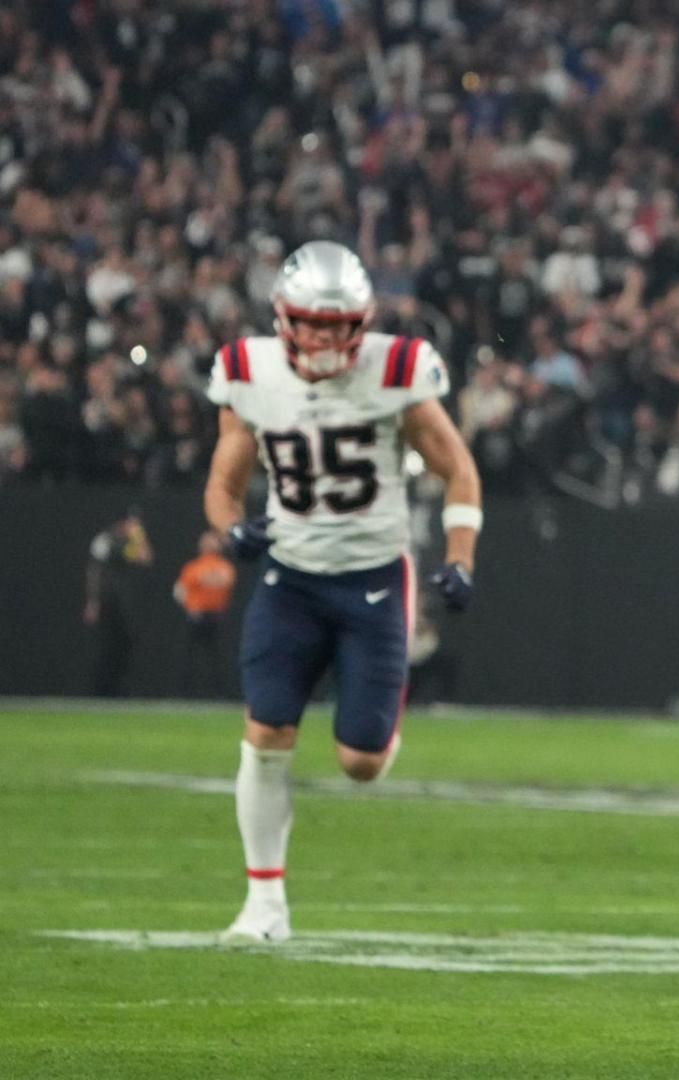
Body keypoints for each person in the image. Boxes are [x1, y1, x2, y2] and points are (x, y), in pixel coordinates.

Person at [203, 240, 481, 944]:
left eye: (339, 325)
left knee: (360, 762)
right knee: (265, 732)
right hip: (289, 578)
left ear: (362, 322)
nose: (326, 338)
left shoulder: (396, 367)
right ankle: (264, 905)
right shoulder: (249, 371)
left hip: (373, 581)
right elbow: (223, 484)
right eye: (311, 323)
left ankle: (380, 714)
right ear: (282, 318)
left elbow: (459, 471)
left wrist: (460, 557)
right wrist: (231, 531)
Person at [84, 509, 153, 697]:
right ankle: (100, 689)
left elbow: (145, 557)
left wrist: (139, 535)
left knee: (124, 643)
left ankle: (119, 689)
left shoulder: (127, 543)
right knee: (106, 644)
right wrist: (93, 601)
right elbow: (94, 571)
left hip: (122, 601)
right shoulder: (104, 540)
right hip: (106, 598)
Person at [174, 530, 237, 698]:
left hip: (216, 616)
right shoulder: (193, 566)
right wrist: (191, 605)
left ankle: (220, 693)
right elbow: (179, 591)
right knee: (189, 655)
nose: (209, 544)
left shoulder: (224, 566)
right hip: (197, 615)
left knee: (217, 656)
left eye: (212, 541)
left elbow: (227, 582)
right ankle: (184, 692)